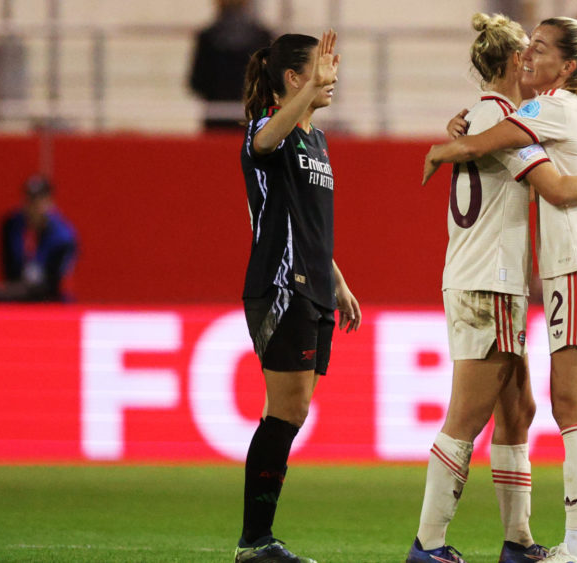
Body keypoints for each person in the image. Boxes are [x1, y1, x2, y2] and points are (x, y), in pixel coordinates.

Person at [424, 16, 577, 563]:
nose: (530, 59)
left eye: (541, 50)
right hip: (558, 270)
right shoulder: (557, 114)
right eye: (526, 50)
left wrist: (444, 147)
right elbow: (550, 175)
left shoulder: (540, 112)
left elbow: (555, 186)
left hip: (572, 268)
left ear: (567, 66)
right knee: (555, 409)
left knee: (567, 410)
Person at [235, 30, 361, 563]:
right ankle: (255, 541)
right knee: (285, 410)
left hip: (312, 284)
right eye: (321, 69)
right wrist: (308, 95)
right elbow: (263, 143)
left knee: (294, 410)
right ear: (292, 78)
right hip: (281, 285)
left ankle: (259, 539)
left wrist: (339, 280)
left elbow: (305, 222)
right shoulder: (270, 128)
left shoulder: (315, 138)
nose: (332, 78)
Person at [0, 175, 77, 302]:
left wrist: (13, 290)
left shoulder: (63, 237)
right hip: (16, 293)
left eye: (39, 200)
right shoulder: (12, 225)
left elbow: (53, 283)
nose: (33, 206)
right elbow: (9, 269)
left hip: (51, 300)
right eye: (29, 200)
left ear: (49, 201)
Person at [190, 0, 273, 130]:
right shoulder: (263, 37)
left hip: (217, 119)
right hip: (253, 121)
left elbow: (196, 82)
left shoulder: (207, 38)